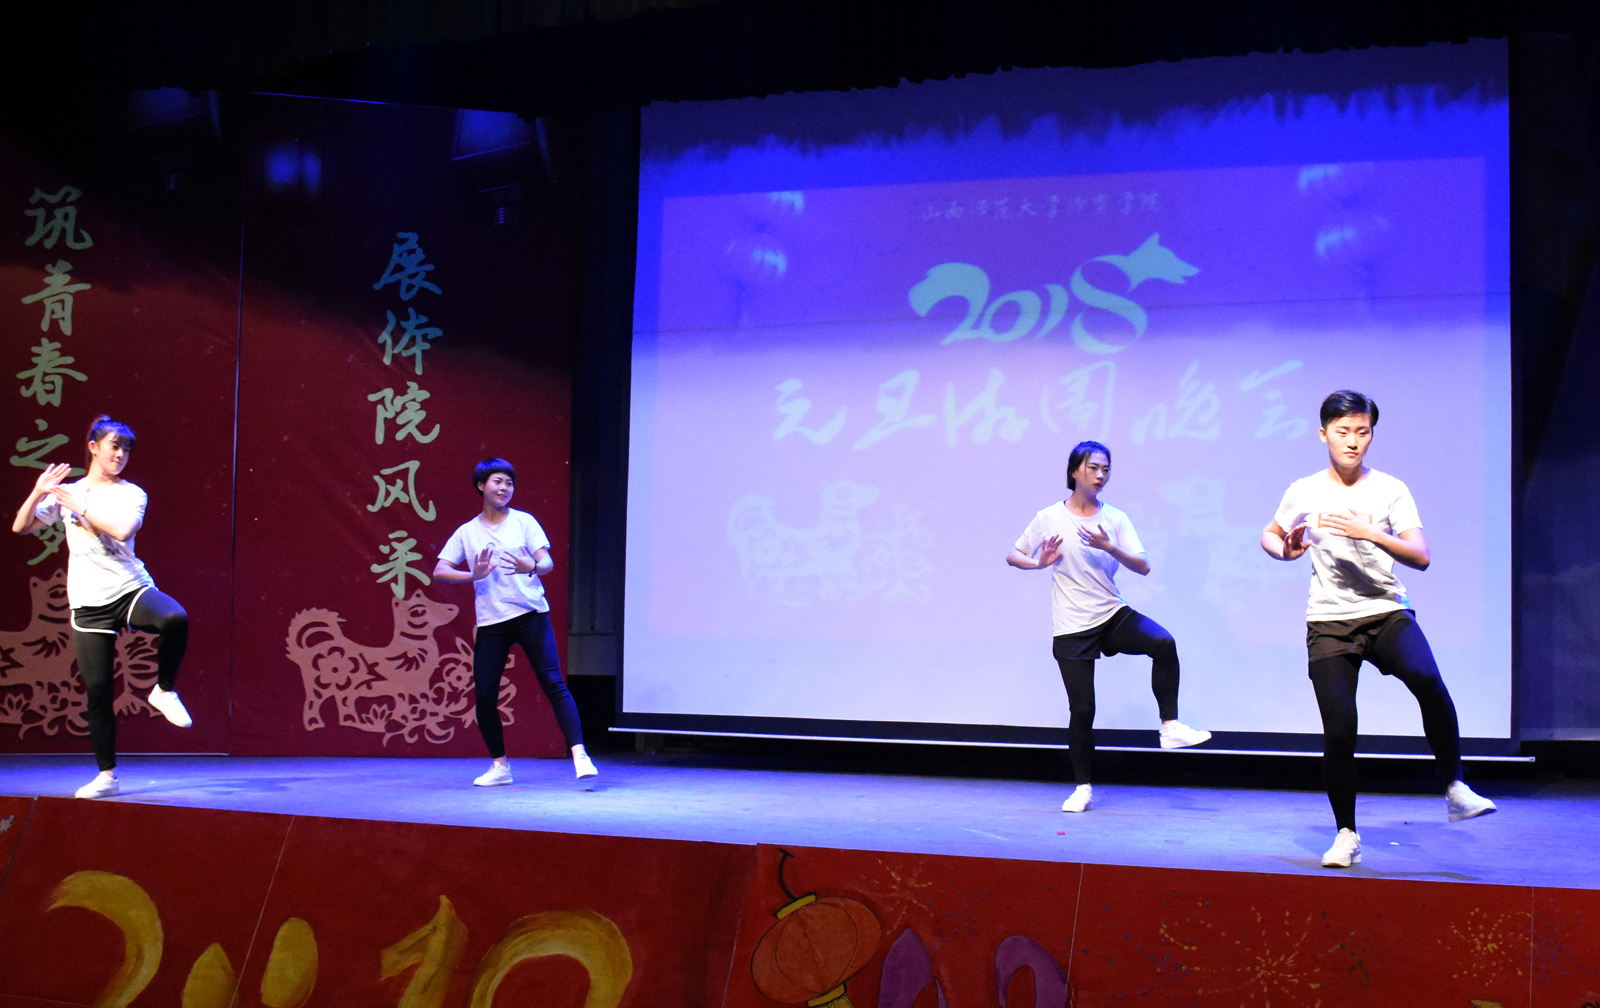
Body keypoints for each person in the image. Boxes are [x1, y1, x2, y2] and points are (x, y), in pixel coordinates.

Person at [1261, 390, 1496, 869]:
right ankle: (1346, 834)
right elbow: (1270, 534)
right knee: (1340, 728)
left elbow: (1421, 556)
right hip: (1329, 622)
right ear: (1323, 434)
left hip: (1385, 611)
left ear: (1372, 434)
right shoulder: (1304, 490)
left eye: (1362, 432)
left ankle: (1455, 787)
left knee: (1427, 678)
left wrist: (1369, 532)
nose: (1353, 441)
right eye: (1343, 431)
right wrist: (1285, 550)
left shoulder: (1390, 489)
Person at [1009, 440, 1211, 813]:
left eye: (1106, 469)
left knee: (1163, 643)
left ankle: (1169, 726)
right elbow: (1014, 554)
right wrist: (1039, 563)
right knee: (1083, 709)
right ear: (1074, 471)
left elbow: (1143, 566)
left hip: (1110, 614)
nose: (1101, 475)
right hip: (1072, 624)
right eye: (1093, 468)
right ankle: (1083, 788)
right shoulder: (1049, 517)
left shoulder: (1115, 518)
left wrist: (1109, 547)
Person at [11, 415, 192, 799]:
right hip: (89, 602)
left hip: (129, 588)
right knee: (98, 691)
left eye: (126, 449)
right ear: (93, 448)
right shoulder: (68, 492)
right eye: (114, 446)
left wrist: (82, 507)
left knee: (174, 618)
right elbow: (21, 527)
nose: (120, 455)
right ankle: (107, 776)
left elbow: (123, 531)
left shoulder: (131, 493)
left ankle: (163, 690)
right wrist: (38, 492)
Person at [434, 457, 595, 785]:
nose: (504, 488)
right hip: (492, 622)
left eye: (509, 483)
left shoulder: (524, 522)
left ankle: (580, 755)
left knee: (553, 683)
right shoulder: (468, 532)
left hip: (530, 614)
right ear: (481, 486)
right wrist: (472, 575)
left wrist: (531, 567)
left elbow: (547, 563)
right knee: (485, 697)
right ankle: (500, 767)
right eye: (498, 482)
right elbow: (440, 570)